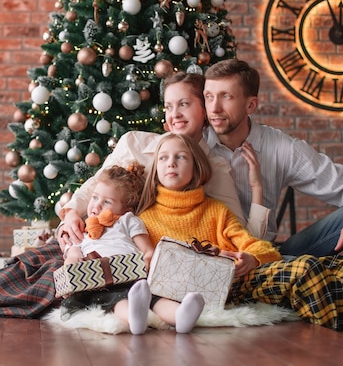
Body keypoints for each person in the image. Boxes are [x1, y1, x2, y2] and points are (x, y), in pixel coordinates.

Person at [202, 58, 343, 345]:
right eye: (208, 97)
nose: (214, 108)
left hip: (267, 254)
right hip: (221, 258)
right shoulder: (195, 147)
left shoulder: (280, 147)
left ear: (251, 105)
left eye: (226, 96)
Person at [136, 133, 343, 333]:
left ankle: (332, 339)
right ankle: (334, 355)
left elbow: (258, 247)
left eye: (180, 156)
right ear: (155, 168)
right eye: (164, 158)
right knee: (305, 269)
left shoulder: (215, 210)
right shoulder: (145, 219)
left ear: (196, 166)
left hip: (239, 279)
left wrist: (250, 258)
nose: (171, 163)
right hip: (214, 294)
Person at [58, 72, 269, 247]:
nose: (174, 114)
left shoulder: (215, 167)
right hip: (96, 242)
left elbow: (241, 236)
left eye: (184, 104)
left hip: (146, 257)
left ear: (205, 111)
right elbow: (95, 187)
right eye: (169, 107)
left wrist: (257, 188)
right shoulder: (134, 143)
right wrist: (70, 216)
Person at [60, 163, 205, 335]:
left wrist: (148, 259)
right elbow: (72, 255)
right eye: (95, 198)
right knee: (116, 298)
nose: (97, 206)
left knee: (155, 297)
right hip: (101, 281)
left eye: (107, 202)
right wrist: (72, 262)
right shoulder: (82, 231)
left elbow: (147, 249)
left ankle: (181, 315)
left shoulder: (127, 220)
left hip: (132, 274)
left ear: (125, 209)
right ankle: (135, 319)